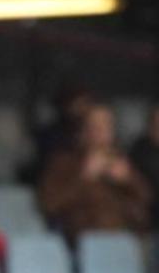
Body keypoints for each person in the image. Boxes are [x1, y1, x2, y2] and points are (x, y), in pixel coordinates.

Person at [38, 103, 151, 247]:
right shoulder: (64, 162)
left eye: (107, 125)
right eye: (95, 125)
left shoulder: (118, 160)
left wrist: (127, 180)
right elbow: (50, 204)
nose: (102, 131)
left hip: (126, 239)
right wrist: (84, 176)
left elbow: (146, 199)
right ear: (82, 131)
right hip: (84, 240)